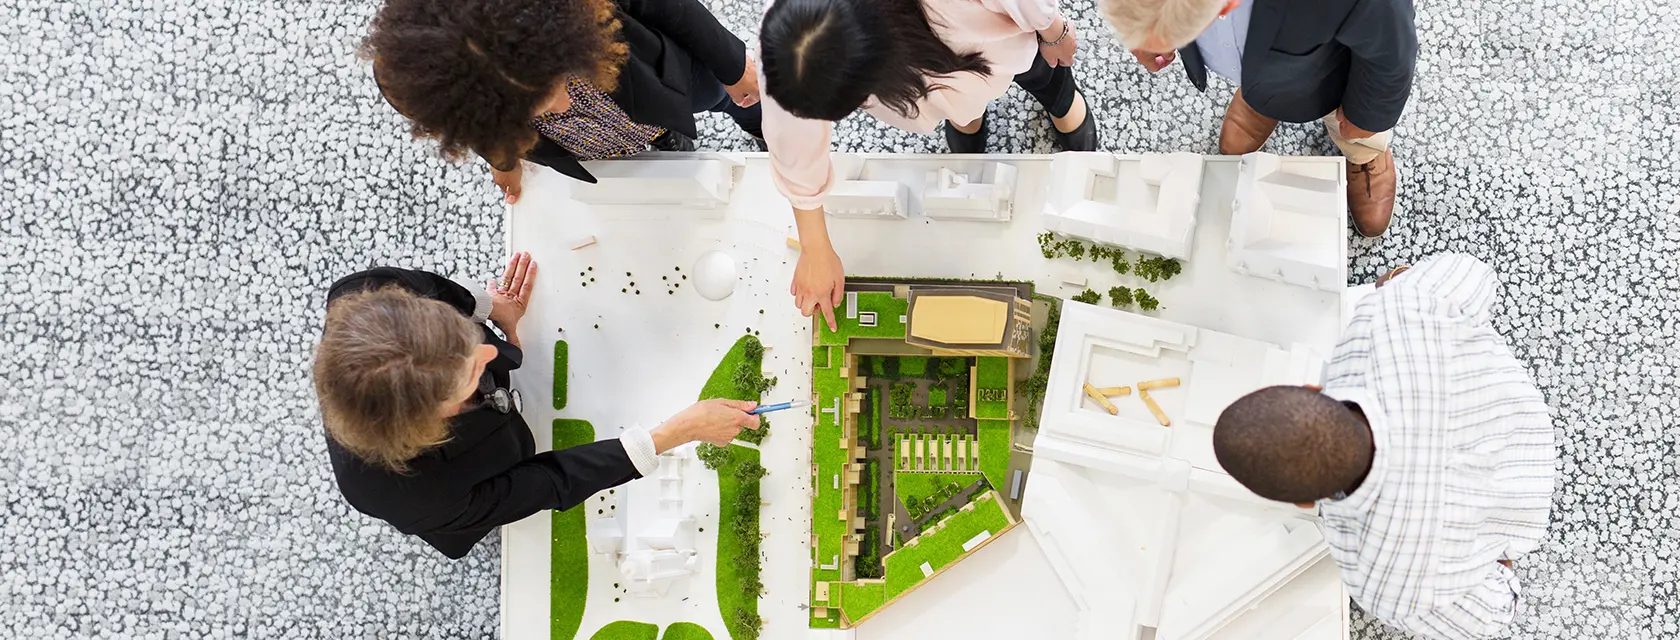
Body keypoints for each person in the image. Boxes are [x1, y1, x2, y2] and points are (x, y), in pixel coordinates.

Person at [314, 253, 760, 558]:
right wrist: (674, 433)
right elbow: (550, 481)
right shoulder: (412, 494)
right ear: (434, 420)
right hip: (468, 488)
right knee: (509, 462)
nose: (493, 353)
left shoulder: (363, 295)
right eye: (470, 376)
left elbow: (434, 291)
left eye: (467, 342)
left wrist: (490, 307)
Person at [1211, 253, 1556, 638]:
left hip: (1524, 517)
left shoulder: (1385, 581)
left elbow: (1494, 614)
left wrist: (1492, 560)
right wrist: (1398, 282)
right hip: (1526, 415)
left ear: (1305, 503)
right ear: (1311, 388)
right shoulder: (1390, 315)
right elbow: (1475, 275)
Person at [758, 0, 1099, 329]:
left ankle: (1064, 106)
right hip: (943, 79)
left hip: (994, 44)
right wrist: (814, 246)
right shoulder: (791, 37)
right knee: (962, 110)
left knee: (1045, 75)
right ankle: (967, 118)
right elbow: (791, 135)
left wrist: (1054, 31)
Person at [363, 0, 765, 204]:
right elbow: (473, 126)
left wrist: (731, 65)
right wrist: (503, 158)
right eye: (531, 111)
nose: (561, 107)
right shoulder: (426, 78)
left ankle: (759, 126)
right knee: (657, 147)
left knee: (731, 101)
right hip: (600, 138)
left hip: (661, 79)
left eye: (553, 84)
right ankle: (665, 138)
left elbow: (668, 6)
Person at [1100, 0, 1415, 237]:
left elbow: (1391, 47)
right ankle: (1261, 98)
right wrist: (1143, 31)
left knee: (1353, 113)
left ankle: (1363, 149)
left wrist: (1368, 117)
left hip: (1331, 57)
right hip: (1271, 60)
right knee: (1271, 73)